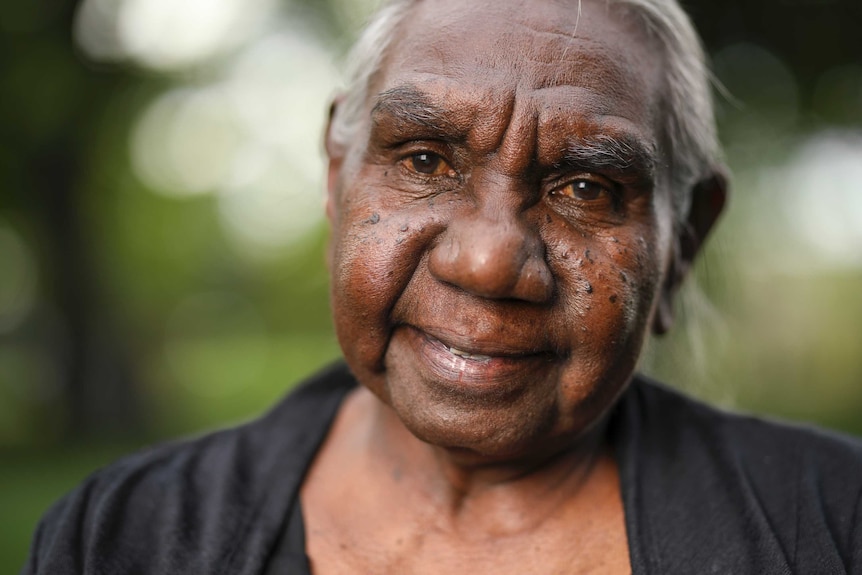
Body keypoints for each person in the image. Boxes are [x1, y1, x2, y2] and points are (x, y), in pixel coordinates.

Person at [23, 0, 862, 573]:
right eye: (425, 161)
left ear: (682, 242)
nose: (489, 262)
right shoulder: (122, 538)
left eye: (586, 188)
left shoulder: (833, 528)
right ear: (337, 176)